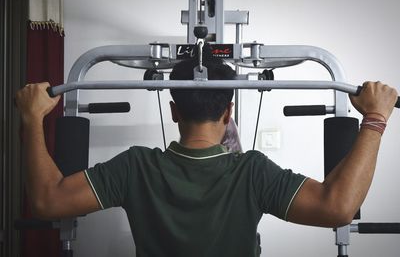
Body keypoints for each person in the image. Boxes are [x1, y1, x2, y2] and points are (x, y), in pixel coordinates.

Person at [15, 52, 398, 256]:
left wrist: (32, 119)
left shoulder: (135, 167)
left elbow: (48, 201)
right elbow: (338, 207)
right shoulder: (252, 172)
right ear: (228, 112)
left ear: (173, 111)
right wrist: (375, 118)